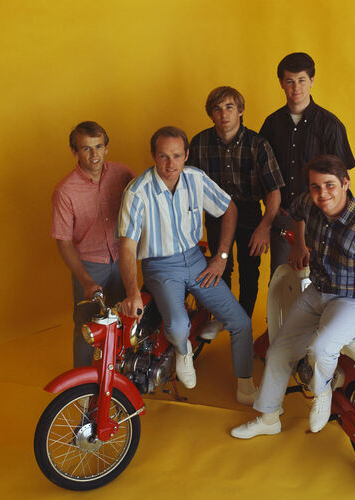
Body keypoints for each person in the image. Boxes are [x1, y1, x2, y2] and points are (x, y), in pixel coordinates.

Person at [231, 155, 355, 438]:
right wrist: (299, 244)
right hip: (319, 290)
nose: (322, 193)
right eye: (315, 186)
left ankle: (322, 391)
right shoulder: (309, 203)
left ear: (345, 183)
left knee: (320, 349)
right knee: (278, 350)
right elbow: (296, 213)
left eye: (330, 185)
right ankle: (269, 418)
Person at [117, 126, 256, 404]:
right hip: (160, 267)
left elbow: (229, 209)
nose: (171, 164)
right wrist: (132, 293)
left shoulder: (195, 178)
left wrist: (221, 257)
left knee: (241, 322)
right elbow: (127, 248)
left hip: (196, 260)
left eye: (177, 156)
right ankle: (183, 352)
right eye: (163, 156)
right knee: (178, 326)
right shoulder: (137, 192)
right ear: (153, 155)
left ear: (186, 155)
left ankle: (245, 380)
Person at [188, 86, 284, 339]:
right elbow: (187, 186)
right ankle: (224, 316)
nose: (224, 114)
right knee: (221, 265)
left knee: (249, 271)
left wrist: (265, 226)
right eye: (217, 109)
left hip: (251, 214)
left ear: (240, 110)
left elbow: (274, 190)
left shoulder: (258, 144)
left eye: (229, 107)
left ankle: (242, 323)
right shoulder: (199, 143)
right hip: (216, 215)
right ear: (211, 114)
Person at [260, 52, 355, 276]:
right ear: (281, 83)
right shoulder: (272, 124)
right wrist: (271, 206)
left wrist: (336, 219)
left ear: (312, 80)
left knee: (320, 282)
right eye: (290, 81)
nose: (296, 87)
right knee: (281, 281)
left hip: (321, 219)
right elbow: (261, 172)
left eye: (302, 80)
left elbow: (342, 179)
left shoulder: (330, 125)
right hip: (283, 218)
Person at [51, 121, 135, 367]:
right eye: (86, 148)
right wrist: (86, 280)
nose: (94, 154)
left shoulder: (123, 173)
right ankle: (83, 383)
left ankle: (123, 375)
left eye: (98, 146)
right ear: (74, 152)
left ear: (107, 147)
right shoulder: (65, 191)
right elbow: (64, 242)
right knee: (86, 328)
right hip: (88, 265)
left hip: (123, 258)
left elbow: (144, 204)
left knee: (126, 322)